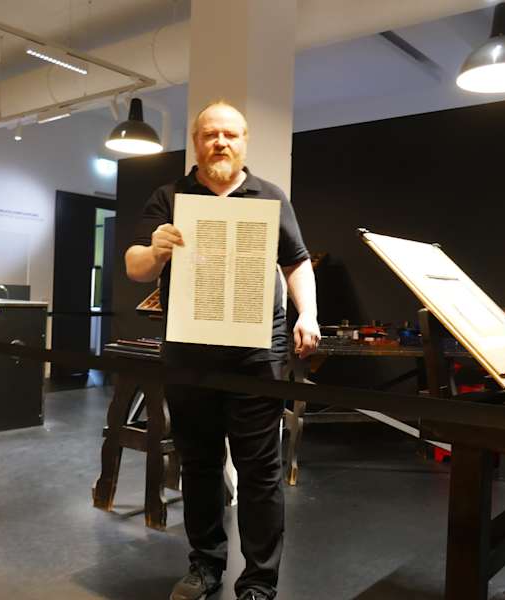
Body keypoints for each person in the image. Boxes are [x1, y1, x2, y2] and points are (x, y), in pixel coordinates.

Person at [126, 101, 320, 600]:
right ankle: (205, 565)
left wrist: (308, 314)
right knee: (199, 465)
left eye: (230, 134)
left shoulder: (269, 197)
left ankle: (259, 582)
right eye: (210, 134)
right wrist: (155, 251)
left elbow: (296, 262)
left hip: (256, 355)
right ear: (196, 142)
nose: (220, 142)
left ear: (244, 141)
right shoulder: (170, 197)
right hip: (189, 354)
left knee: (260, 472)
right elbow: (135, 266)